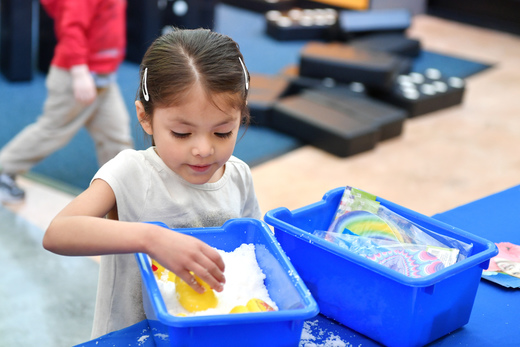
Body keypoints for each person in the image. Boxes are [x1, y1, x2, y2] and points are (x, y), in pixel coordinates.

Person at [42, 28, 262, 339]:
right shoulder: (132, 173)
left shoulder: (238, 176)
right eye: (182, 134)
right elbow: (57, 233)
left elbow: (254, 253)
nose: (203, 149)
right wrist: (151, 238)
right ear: (145, 118)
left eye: (222, 132)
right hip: (131, 336)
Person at [0, 0, 133, 203]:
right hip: (77, 77)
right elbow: (71, 27)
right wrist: (79, 72)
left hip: (104, 78)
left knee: (116, 136)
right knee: (53, 130)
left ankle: (124, 191)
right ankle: (4, 170)